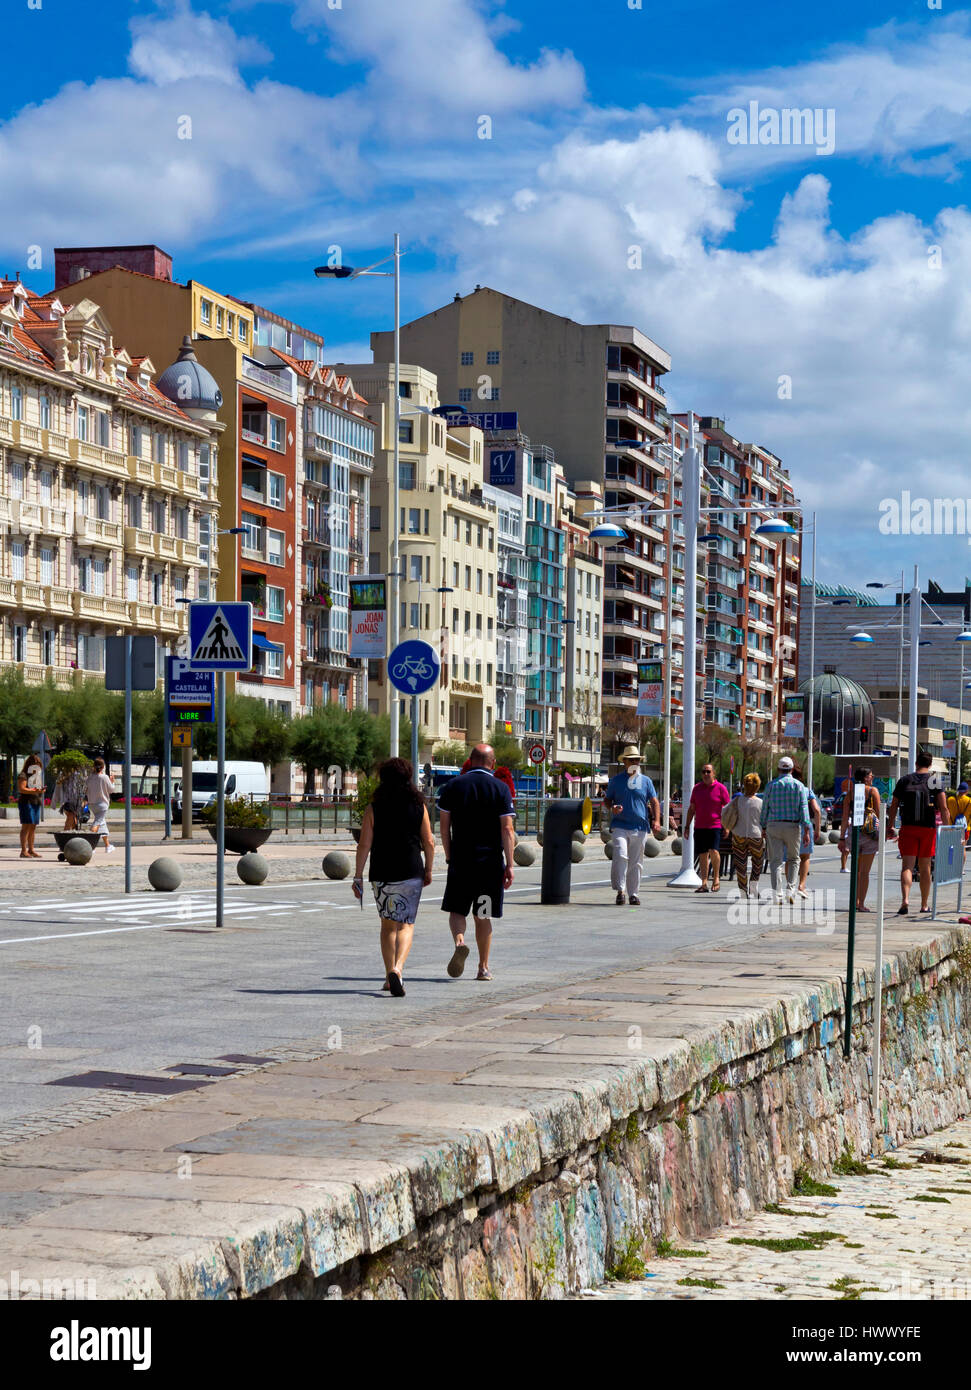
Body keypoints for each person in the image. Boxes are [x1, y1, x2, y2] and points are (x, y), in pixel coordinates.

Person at [352, 758, 435, 997]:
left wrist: (358, 875)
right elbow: (428, 841)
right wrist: (429, 868)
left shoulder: (374, 807)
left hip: (382, 872)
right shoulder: (419, 806)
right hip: (411, 870)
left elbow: (364, 845)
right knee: (406, 923)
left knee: (388, 925)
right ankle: (398, 970)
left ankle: (389, 974)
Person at [438, 743, 515, 981]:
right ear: (492, 763)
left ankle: (460, 941)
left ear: (470, 761)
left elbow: (443, 826)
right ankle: (483, 968)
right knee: (483, 914)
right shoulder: (500, 789)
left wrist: (449, 855)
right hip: (489, 864)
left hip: (461, 861)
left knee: (457, 909)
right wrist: (510, 864)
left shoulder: (452, 787)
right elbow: (508, 829)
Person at [887, 751, 950, 915]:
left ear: (916, 763)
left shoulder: (905, 780)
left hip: (908, 828)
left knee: (907, 866)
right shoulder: (934, 781)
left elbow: (893, 805)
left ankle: (905, 900)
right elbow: (943, 808)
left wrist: (890, 824)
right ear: (929, 765)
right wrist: (948, 829)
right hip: (927, 829)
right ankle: (923, 904)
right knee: (925, 867)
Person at [603, 745, 661, 906]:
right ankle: (620, 891)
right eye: (632, 759)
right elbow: (607, 800)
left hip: (640, 827)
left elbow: (654, 801)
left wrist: (656, 821)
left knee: (636, 862)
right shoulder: (616, 781)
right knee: (621, 854)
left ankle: (633, 894)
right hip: (620, 825)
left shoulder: (646, 781)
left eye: (637, 759)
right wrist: (612, 808)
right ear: (625, 762)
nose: (635, 762)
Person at [760, 755, 813, 903]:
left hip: (774, 825)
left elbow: (765, 808)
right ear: (791, 769)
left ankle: (777, 894)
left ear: (778, 769)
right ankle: (790, 890)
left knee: (775, 861)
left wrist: (763, 826)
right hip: (792, 825)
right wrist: (807, 829)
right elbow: (804, 809)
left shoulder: (771, 785)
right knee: (794, 858)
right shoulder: (799, 786)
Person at [838, 766, 881, 912]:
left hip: (854, 832)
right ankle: (861, 903)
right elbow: (879, 815)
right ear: (865, 778)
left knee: (856, 870)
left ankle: (854, 901)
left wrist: (842, 838)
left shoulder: (850, 794)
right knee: (865, 872)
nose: (872, 777)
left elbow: (844, 817)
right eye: (870, 775)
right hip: (869, 833)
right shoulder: (873, 791)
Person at [684, 763, 731, 893]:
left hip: (715, 826)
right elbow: (692, 808)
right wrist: (687, 826)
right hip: (700, 826)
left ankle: (716, 878)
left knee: (714, 851)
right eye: (703, 772)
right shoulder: (697, 789)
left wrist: (727, 827)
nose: (705, 774)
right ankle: (704, 882)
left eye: (708, 772)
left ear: (713, 773)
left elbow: (728, 809)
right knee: (703, 854)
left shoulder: (721, 788)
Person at [724, 773, 764, 897]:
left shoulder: (737, 800)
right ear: (757, 786)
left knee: (740, 864)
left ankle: (742, 891)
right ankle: (753, 884)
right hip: (756, 835)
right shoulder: (761, 803)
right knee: (758, 861)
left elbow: (724, 811)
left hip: (738, 835)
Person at [792, 766, 823, 900]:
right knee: (805, 857)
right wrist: (817, 829)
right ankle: (802, 886)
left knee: (790, 858)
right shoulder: (806, 790)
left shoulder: (787, 790)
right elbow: (816, 810)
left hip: (790, 825)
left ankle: (790, 886)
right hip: (805, 826)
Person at [84, 757, 116, 853]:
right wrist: (112, 782)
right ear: (102, 767)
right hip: (102, 804)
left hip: (92, 804)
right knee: (97, 823)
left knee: (102, 823)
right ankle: (89, 845)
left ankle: (107, 846)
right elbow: (111, 790)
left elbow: (85, 790)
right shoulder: (104, 777)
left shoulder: (89, 778)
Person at [17, 753, 45, 858]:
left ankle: (31, 850)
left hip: (35, 802)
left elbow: (36, 790)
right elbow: (22, 789)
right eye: (36, 765)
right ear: (30, 764)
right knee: (26, 826)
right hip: (26, 803)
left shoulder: (35, 777)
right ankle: (23, 851)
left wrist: (41, 790)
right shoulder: (23, 775)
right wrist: (34, 790)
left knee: (33, 827)